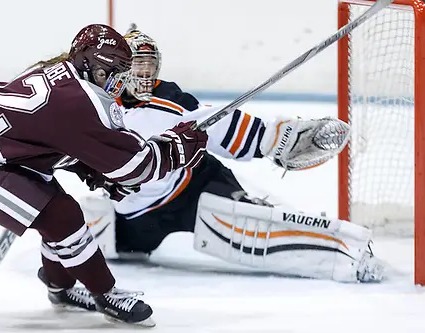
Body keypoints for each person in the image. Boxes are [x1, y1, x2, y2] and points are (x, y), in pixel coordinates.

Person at [0, 24, 208, 326]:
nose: (118, 86)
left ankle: (60, 288)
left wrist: (90, 167)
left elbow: (45, 134)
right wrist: (176, 149)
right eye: (116, 75)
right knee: (62, 217)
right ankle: (105, 294)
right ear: (97, 67)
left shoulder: (64, 76)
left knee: (60, 216)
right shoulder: (78, 101)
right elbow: (135, 166)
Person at [81, 28, 384, 284]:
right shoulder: (92, 108)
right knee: (106, 239)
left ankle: (346, 254)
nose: (145, 73)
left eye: (149, 65)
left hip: (194, 185)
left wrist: (275, 139)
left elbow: (217, 124)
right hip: (138, 214)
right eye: (137, 65)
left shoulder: (171, 100)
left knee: (247, 223)